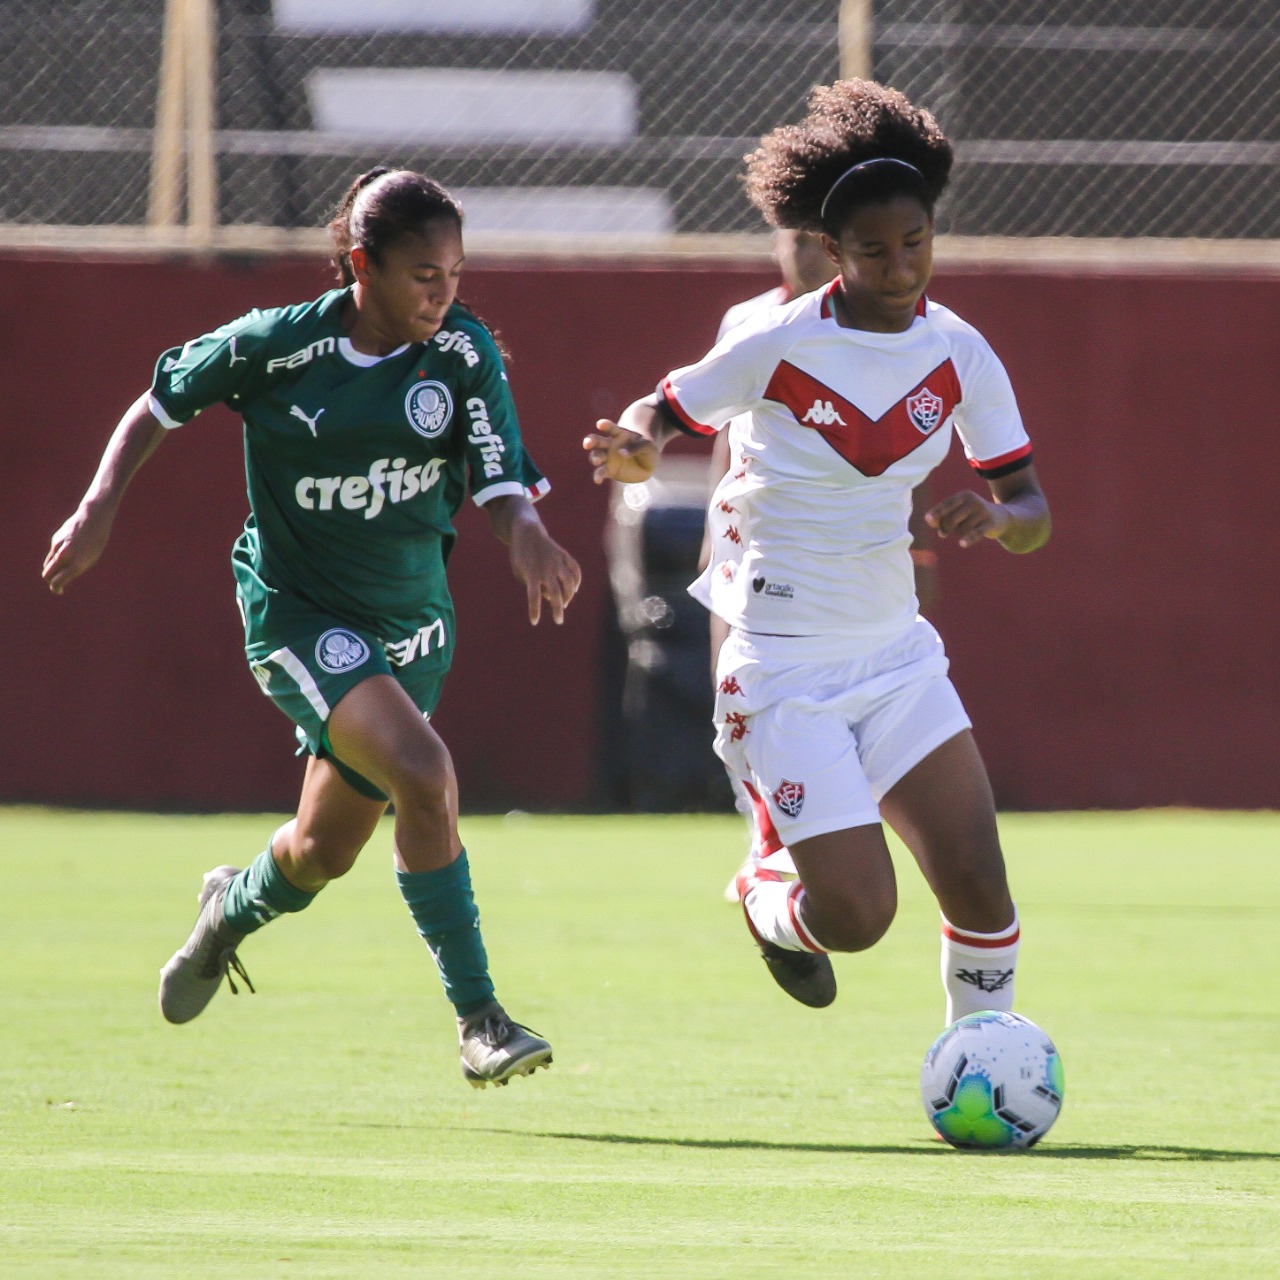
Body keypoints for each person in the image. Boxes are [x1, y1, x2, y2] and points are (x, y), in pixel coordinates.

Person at [43, 168, 581, 1087]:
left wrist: (526, 529)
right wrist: (97, 508)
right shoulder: (276, 346)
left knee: (321, 852)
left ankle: (228, 911)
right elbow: (157, 403)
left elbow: (499, 474)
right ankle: (480, 1019)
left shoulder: (462, 352)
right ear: (361, 267)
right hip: (300, 615)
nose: (443, 294)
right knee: (425, 773)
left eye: (455, 274)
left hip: (413, 628)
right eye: (423, 275)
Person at [584, 80, 1050, 1025]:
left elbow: (1031, 506)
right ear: (831, 251)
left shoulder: (961, 353)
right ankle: (768, 901)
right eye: (874, 250)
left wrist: (1003, 522)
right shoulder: (775, 342)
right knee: (859, 916)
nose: (900, 266)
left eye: (916, 242)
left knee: (979, 882)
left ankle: (982, 1060)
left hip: (895, 655)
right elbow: (661, 410)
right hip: (784, 666)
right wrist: (636, 443)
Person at [700, 231, 940, 901]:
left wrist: (918, 548)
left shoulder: (886, 324)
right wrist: (715, 541)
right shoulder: (752, 322)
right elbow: (725, 431)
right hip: (763, 554)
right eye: (796, 238)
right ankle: (764, 842)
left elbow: (898, 447)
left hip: (852, 566)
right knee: (747, 700)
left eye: (820, 239)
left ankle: (829, 845)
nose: (808, 254)